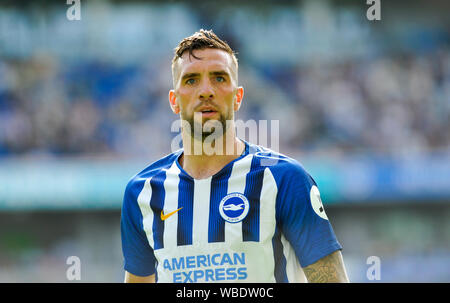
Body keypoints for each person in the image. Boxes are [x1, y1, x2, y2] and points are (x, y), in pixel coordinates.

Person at [121, 29, 349, 283]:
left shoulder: (285, 179)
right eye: (191, 80)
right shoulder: (142, 192)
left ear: (238, 96)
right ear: (174, 101)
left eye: (219, 78)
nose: (206, 90)